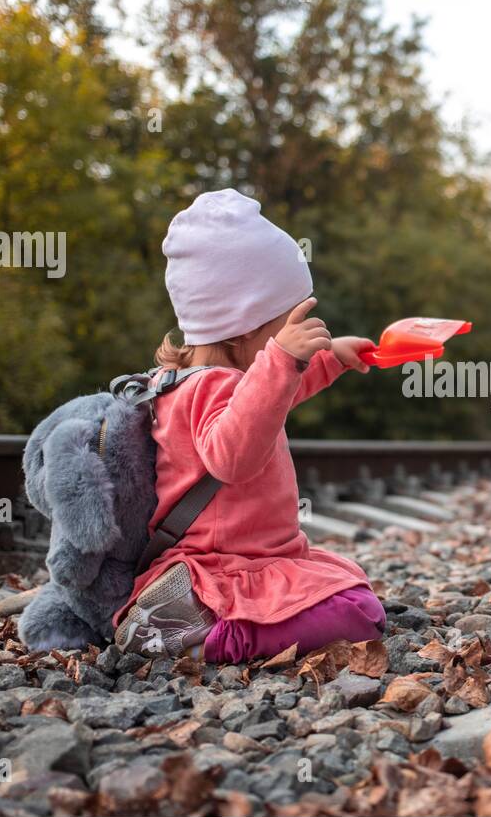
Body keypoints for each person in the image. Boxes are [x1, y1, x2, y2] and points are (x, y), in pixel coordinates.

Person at [113, 189, 386, 663]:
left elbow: (272, 401)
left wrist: (331, 358)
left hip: (247, 558)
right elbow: (232, 456)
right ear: (242, 326)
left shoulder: (188, 382)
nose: (296, 334)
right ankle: (206, 641)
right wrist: (283, 361)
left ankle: (189, 618)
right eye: (286, 324)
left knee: (348, 582)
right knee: (358, 611)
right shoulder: (213, 388)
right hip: (225, 566)